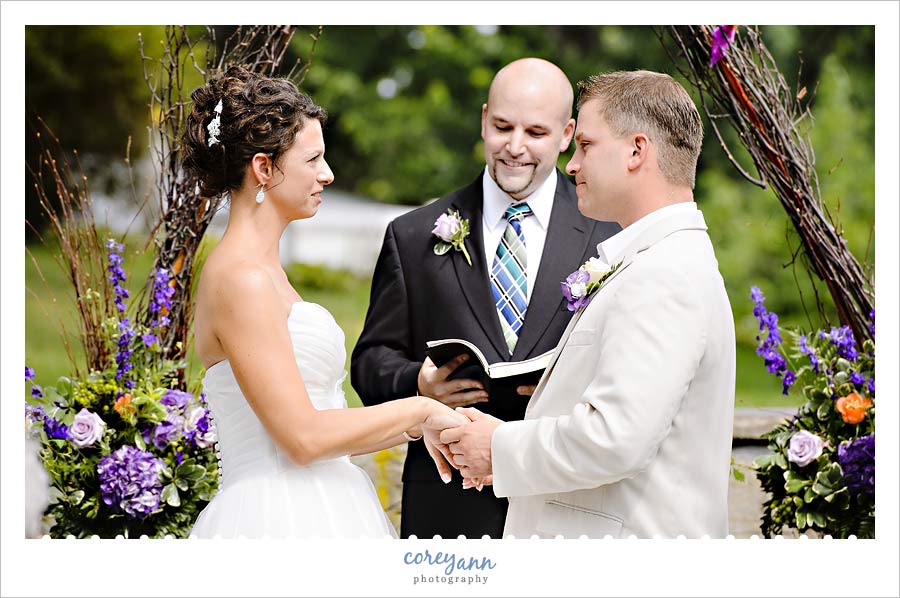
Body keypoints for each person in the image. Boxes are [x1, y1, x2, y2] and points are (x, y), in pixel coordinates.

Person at [441, 70, 736, 539]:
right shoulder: (655, 260)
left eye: (586, 146)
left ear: (637, 151)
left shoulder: (664, 274)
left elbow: (614, 437)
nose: (571, 165)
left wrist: (496, 447)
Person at [183, 66, 468, 538]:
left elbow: (326, 428)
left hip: (328, 503)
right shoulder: (241, 279)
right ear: (263, 168)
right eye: (313, 159)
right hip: (277, 521)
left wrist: (430, 414)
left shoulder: (264, 273)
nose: (328, 174)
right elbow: (302, 439)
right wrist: (419, 412)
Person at [351, 58, 619, 539]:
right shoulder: (411, 235)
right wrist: (420, 383)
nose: (515, 147)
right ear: (483, 121)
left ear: (566, 134)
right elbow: (370, 361)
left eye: (535, 132)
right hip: (448, 508)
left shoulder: (609, 238)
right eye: (502, 127)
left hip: (565, 506)